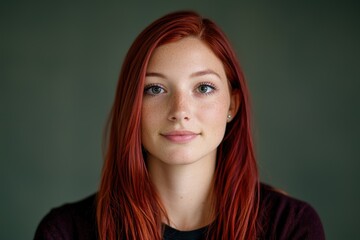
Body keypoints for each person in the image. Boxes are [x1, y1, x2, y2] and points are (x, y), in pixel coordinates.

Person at [34, 11, 325, 240]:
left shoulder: (291, 226)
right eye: (156, 89)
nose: (180, 111)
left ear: (233, 105)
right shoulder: (66, 232)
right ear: (131, 106)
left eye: (204, 88)